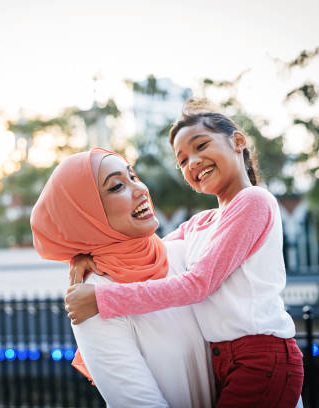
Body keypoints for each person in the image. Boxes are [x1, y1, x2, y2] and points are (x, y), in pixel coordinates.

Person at [65, 99, 304, 408]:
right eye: (182, 160)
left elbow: (197, 284)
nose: (193, 161)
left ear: (238, 141)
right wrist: (91, 255)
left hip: (260, 357)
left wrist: (103, 300)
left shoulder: (254, 202)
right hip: (225, 360)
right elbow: (146, 251)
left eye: (201, 145)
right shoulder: (200, 223)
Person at [30, 148, 215, 407]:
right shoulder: (92, 299)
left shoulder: (185, 254)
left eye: (133, 176)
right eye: (117, 186)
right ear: (86, 214)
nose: (141, 190)